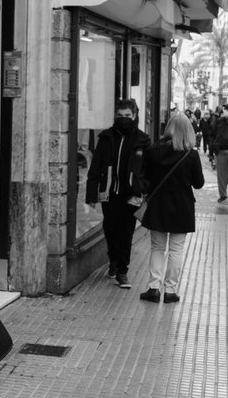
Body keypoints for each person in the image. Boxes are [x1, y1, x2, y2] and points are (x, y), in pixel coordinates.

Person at [138, 112, 205, 304]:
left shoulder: (153, 151)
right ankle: (170, 291)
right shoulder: (191, 155)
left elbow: (147, 177)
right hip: (181, 207)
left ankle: (153, 288)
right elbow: (199, 183)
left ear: (168, 129)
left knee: (157, 247)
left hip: (158, 205)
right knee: (176, 249)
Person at [84, 100, 150, 288]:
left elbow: (148, 169)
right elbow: (96, 166)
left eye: (127, 116)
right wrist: (91, 194)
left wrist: (142, 187)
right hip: (109, 194)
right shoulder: (106, 138)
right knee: (111, 230)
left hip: (131, 195)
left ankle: (122, 271)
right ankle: (113, 260)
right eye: (120, 116)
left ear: (134, 116)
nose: (123, 119)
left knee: (126, 232)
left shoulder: (142, 140)